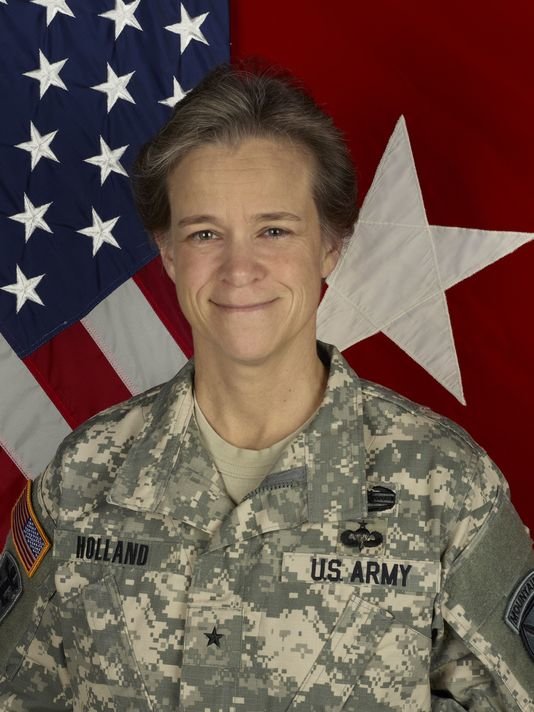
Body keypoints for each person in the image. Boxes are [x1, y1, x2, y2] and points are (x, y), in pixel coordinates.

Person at [0, 64, 532, 712]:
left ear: (330, 245)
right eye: (204, 234)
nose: (239, 268)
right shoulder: (85, 474)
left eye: (273, 230)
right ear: (168, 252)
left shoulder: (445, 486)